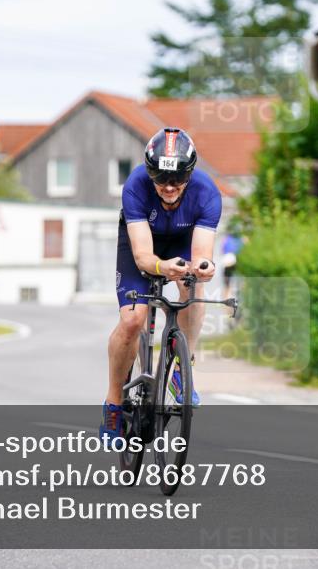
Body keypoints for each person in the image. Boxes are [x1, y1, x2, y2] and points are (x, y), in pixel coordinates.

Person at [100, 127, 220, 444]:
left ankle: (181, 368)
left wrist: (203, 267)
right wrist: (161, 267)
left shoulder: (207, 192)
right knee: (132, 320)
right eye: (160, 178)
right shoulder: (136, 185)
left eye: (177, 179)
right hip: (142, 244)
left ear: (190, 174)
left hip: (181, 241)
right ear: (149, 172)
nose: (168, 187)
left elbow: (201, 254)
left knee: (193, 287)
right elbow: (142, 257)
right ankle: (113, 403)